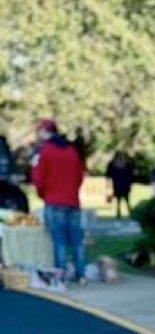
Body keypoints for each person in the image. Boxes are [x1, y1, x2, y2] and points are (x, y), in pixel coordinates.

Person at [30, 118, 86, 283]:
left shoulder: (44, 151)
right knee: (76, 239)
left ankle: (60, 276)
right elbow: (79, 176)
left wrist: (43, 193)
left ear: (44, 131)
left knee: (58, 240)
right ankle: (81, 274)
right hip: (72, 200)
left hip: (54, 200)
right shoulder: (71, 150)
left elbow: (38, 178)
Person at [105, 150, 134, 217]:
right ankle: (130, 212)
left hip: (117, 184)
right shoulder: (127, 164)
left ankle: (118, 212)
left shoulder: (112, 164)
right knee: (127, 200)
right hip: (125, 184)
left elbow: (108, 175)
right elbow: (131, 175)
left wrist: (108, 185)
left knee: (119, 199)